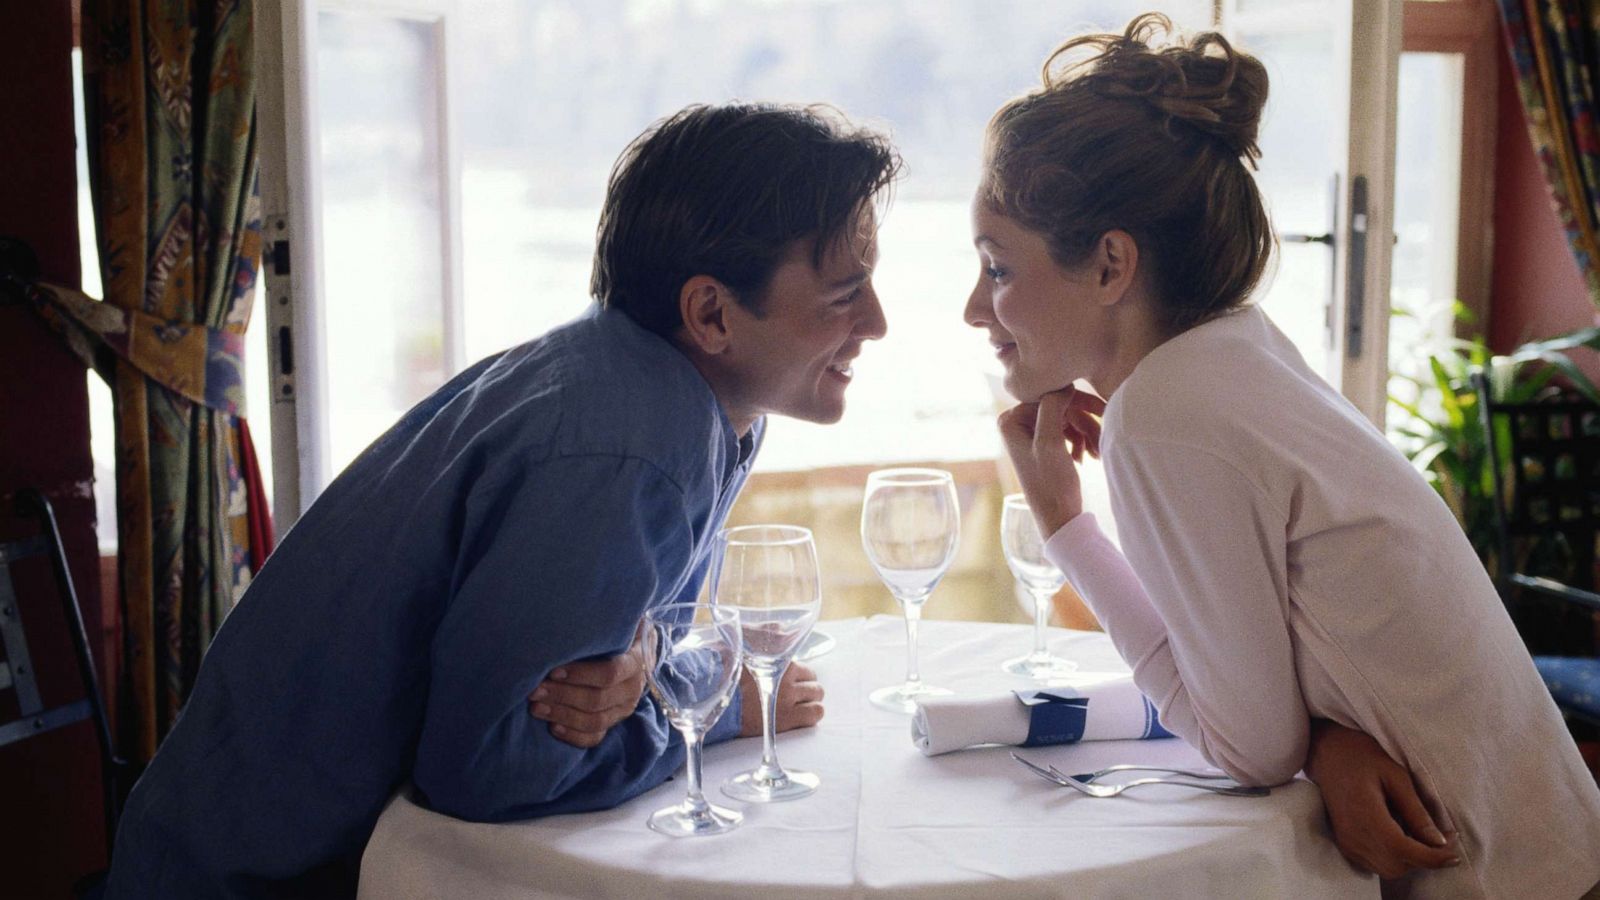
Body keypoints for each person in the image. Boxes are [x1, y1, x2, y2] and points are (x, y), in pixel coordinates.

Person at [105, 101, 899, 899]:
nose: (878, 322)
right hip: (265, 878)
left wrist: (652, 672)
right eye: (844, 294)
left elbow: (628, 655)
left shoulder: (672, 395)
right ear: (711, 314)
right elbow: (495, 769)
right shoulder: (631, 445)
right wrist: (726, 712)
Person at [964, 14, 1600, 899]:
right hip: (1561, 845)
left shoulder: (1162, 417)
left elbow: (1248, 749)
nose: (973, 309)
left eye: (996, 268)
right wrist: (1327, 741)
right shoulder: (1238, 345)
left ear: (1112, 265)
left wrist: (1066, 525)